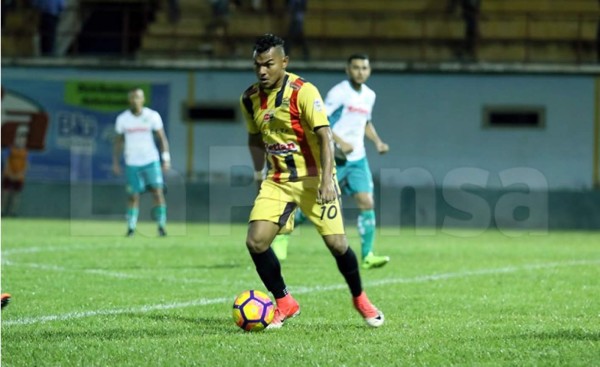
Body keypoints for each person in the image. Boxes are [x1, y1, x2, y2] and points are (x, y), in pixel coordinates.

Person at [240, 33, 384, 329]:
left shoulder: (303, 91)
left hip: (314, 178)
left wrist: (328, 180)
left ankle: (360, 299)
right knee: (256, 242)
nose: (262, 71)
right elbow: (255, 138)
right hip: (278, 179)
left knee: (338, 245)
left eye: (269, 64)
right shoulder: (250, 97)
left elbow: (325, 135)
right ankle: (284, 302)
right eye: (257, 65)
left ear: (284, 62)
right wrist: (258, 174)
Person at [272, 54, 391, 270]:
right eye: (356, 67)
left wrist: (378, 142)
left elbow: (365, 122)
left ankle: (367, 255)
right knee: (317, 204)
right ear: (348, 70)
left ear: (369, 70)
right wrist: (341, 142)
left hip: (358, 159)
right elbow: (320, 121)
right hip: (333, 157)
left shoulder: (369, 95)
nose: (360, 72)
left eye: (364, 68)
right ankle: (283, 234)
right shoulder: (339, 93)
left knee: (367, 202)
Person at [113, 88, 171, 237]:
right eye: (132, 98)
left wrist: (166, 158)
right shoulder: (122, 119)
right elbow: (118, 141)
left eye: (138, 97)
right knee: (133, 195)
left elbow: (162, 138)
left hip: (150, 160)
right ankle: (131, 227)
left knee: (157, 192)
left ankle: (161, 226)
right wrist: (115, 162)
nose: (135, 100)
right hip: (132, 162)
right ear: (129, 100)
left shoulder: (152, 116)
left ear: (143, 99)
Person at [2, 126, 29, 217]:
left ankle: (13, 213)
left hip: (19, 177)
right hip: (8, 175)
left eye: (23, 137)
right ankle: (2, 211)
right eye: (19, 137)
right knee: (5, 194)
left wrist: (19, 174)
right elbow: (6, 162)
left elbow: (27, 165)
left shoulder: (26, 150)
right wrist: (10, 173)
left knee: (16, 195)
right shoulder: (10, 148)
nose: (21, 139)